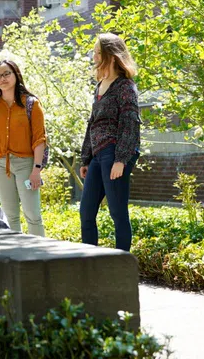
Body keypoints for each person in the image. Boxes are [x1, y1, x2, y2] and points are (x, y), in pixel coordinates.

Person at [79, 33, 141, 251]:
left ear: (112, 56)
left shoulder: (125, 86)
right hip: (98, 155)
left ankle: (122, 266)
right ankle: (89, 265)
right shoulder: (100, 85)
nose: (95, 57)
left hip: (115, 153)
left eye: (98, 52)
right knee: (86, 212)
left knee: (117, 212)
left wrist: (121, 159)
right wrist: (86, 158)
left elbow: (130, 122)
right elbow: (92, 124)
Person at [0, 60, 47, 236]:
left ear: (16, 75)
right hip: (0, 165)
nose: (3, 79)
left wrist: (36, 170)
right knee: (10, 216)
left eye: (7, 74)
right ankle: (17, 258)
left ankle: (40, 257)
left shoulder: (31, 103)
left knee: (32, 214)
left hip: (26, 164)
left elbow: (39, 139)